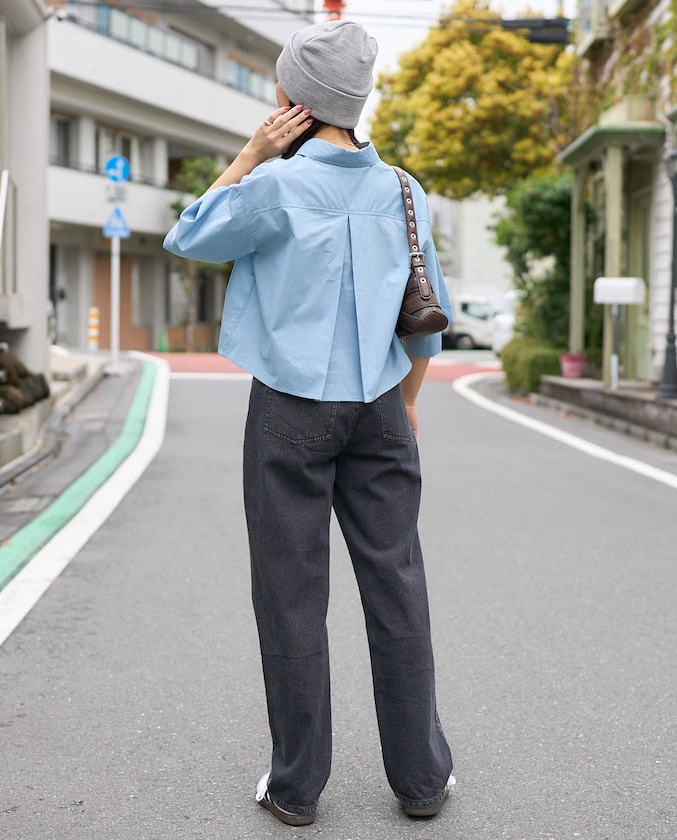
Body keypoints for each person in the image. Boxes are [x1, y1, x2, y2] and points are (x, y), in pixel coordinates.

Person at [164, 19, 454, 827]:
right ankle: (422, 781)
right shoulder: (403, 187)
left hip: (291, 408)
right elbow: (426, 320)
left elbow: (187, 234)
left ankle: (296, 789)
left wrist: (253, 151)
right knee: (397, 584)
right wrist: (409, 404)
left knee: (291, 594)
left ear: (291, 100)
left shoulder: (275, 188)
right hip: (383, 408)